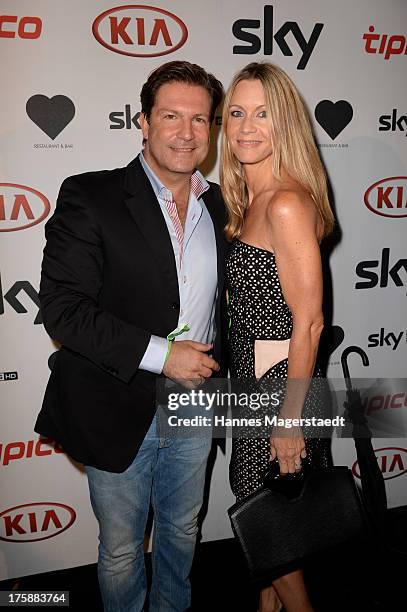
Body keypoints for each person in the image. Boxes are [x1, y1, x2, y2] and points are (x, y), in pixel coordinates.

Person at [35, 61, 227, 612]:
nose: (186, 132)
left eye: (200, 119)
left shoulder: (223, 205)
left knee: (182, 531)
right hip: (115, 401)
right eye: (171, 116)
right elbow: (64, 310)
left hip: (196, 403)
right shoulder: (89, 196)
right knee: (121, 549)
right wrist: (165, 356)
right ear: (143, 121)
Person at [220, 62, 335, 612]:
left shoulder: (286, 202)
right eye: (237, 113)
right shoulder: (252, 202)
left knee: (272, 533)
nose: (246, 127)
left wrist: (288, 424)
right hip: (253, 387)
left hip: (278, 394)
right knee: (270, 522)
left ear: (285, 122)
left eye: (262, 114)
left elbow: (308, 322)